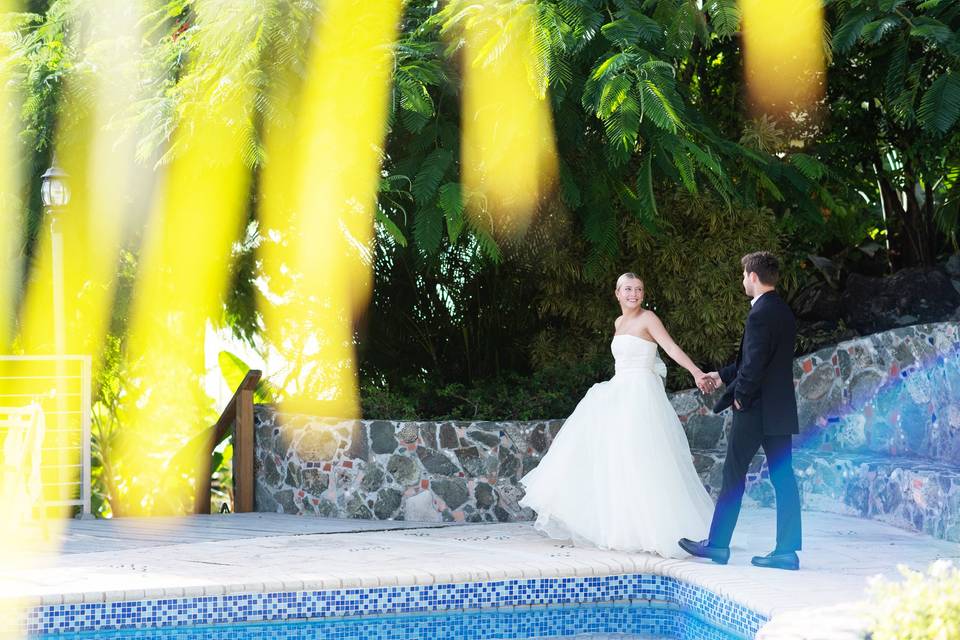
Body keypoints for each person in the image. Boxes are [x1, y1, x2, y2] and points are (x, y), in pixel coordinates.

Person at [519, 272, 717, 557]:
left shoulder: (648, 319)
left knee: (641, 458)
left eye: (638, 289)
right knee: (615, 459)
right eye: (627, 289)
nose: (633, 294)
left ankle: (655, 529)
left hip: (641, 395)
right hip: (618, 392)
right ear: (617, 293)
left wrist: (696, 372)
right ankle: (621, 529)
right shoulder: (618, 322)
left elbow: (670, 347)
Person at [679, 251, 803, 570]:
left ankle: (718, 545)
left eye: (744, 274)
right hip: (779, 409)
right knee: (783, 477)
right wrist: (721, 376)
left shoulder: (760, 313)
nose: (742, 280)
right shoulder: (783, 311)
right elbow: (754, 360)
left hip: (755, 409)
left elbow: (755, 364)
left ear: (752, 275)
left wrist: (741, 398)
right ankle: (787, 551)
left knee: (733, 474)